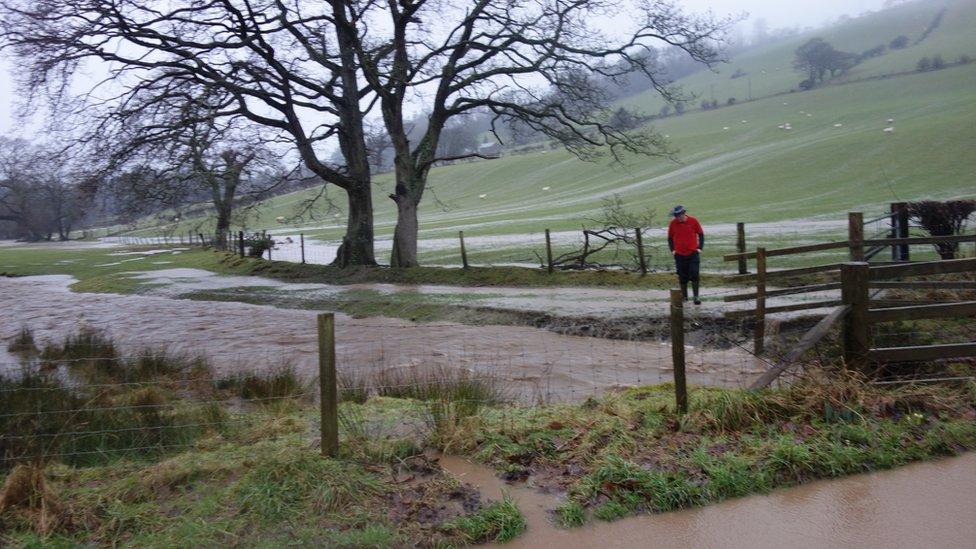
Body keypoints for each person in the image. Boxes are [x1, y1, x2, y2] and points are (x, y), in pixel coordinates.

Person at [667, 205, 704, 304]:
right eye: (676, 216)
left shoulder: (693, 221)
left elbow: (701, 234)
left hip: (693, 253)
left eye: (679, 215)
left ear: (683, 213)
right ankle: (684, 297)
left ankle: (696, 297)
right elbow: (670, 238)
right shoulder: (672, 224)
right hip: (679, 255)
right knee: (682, 276)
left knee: (694, 274)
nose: (678, 218)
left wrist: (700, 248)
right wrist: (672, 250)